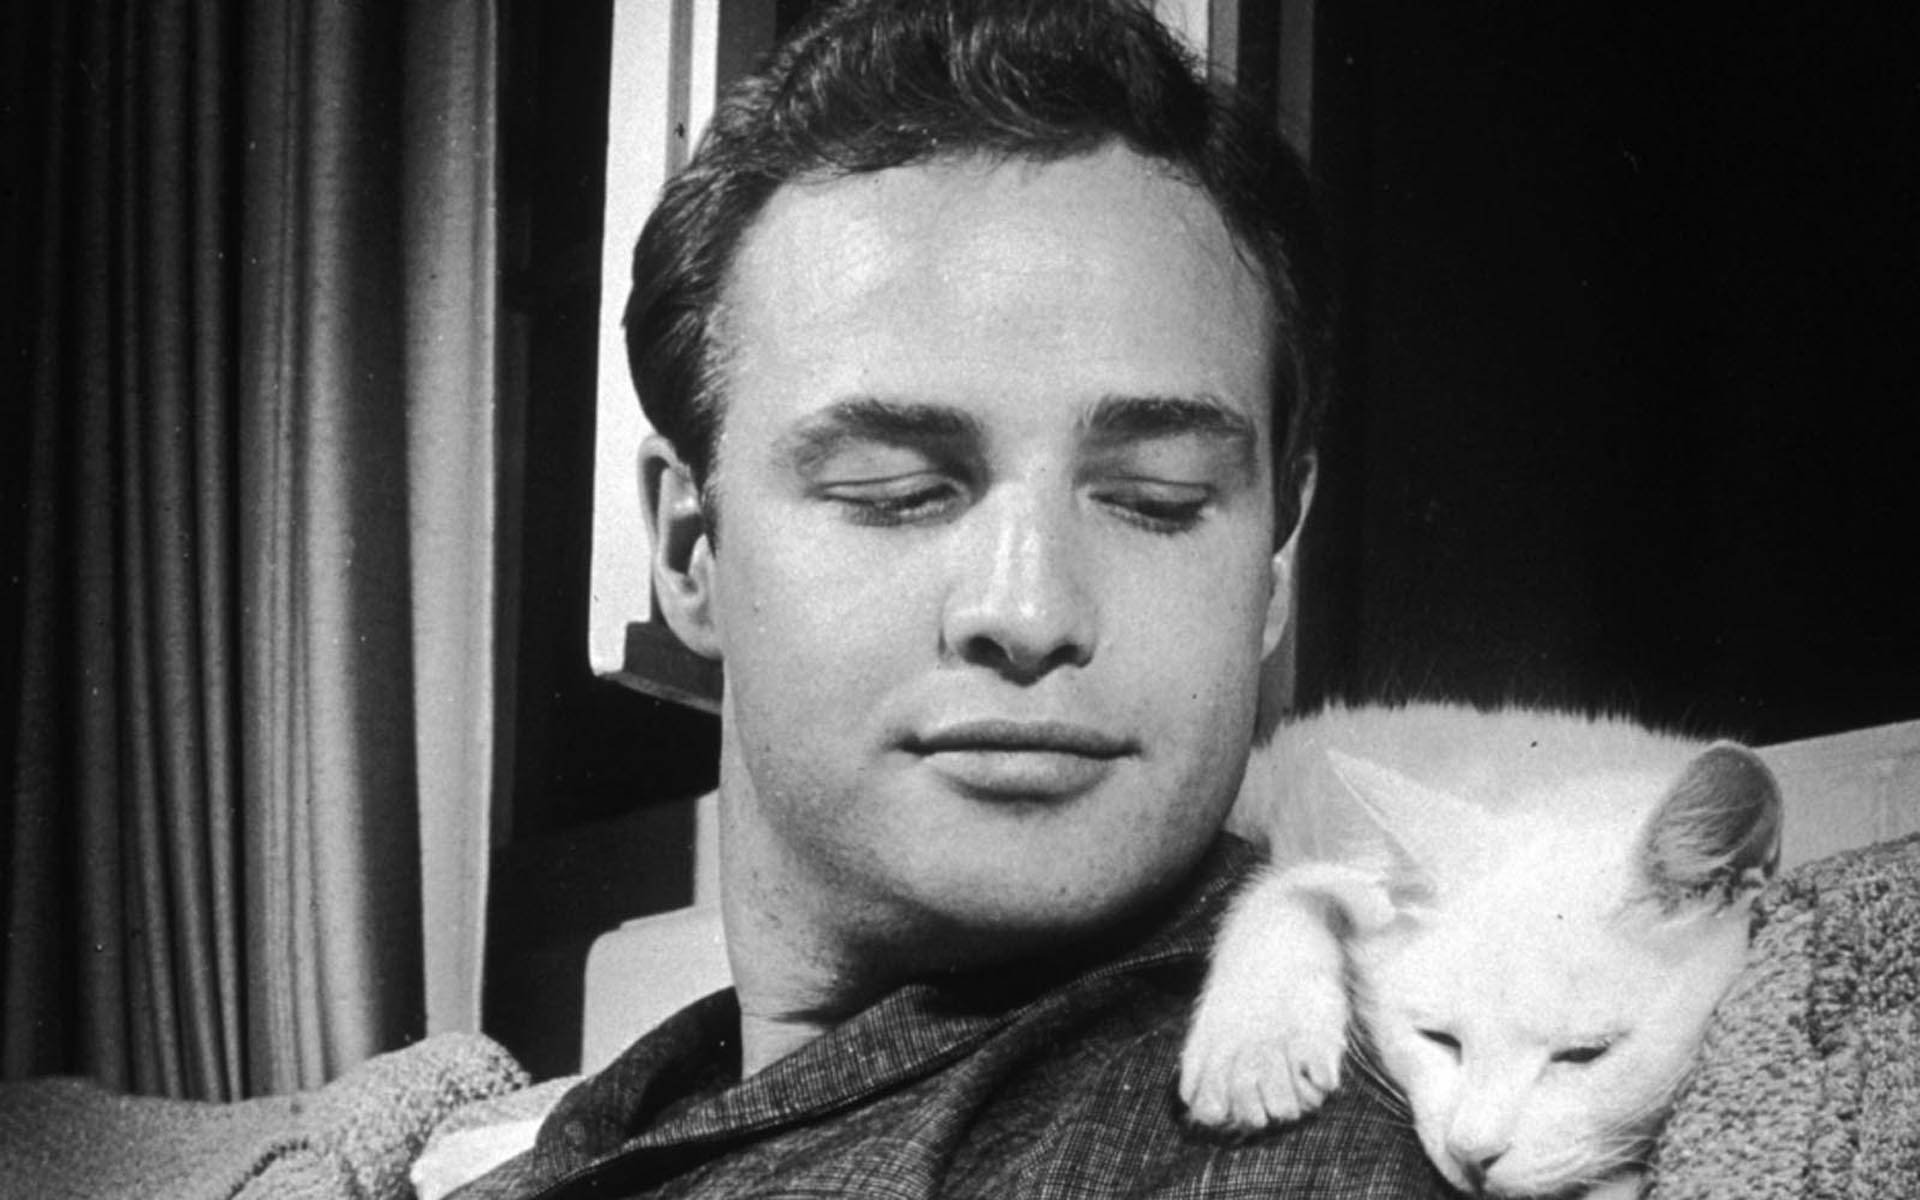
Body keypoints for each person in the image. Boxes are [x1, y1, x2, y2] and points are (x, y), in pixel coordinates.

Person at [462, 1, 1442, 1195]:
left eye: (1156, 497)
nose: (1028, 612)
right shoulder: (587, 1138)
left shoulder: (1328, 1119)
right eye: (895, 491)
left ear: (1273, 562)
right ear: (689, 550)